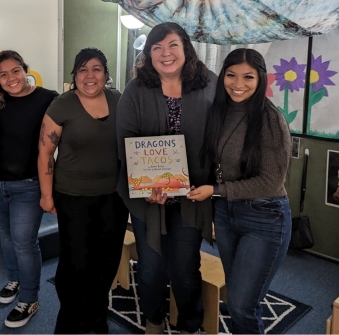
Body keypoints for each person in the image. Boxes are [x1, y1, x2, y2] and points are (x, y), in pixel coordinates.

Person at [116, 22, 217, 334]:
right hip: (149, 201)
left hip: (191, 198)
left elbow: (222, 137)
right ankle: (154, 321)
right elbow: (125, 140)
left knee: (186, 270)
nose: (165, 53)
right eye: (157, 47)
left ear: (185, 48)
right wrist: (145, 188)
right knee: (150, 269)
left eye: (172, 45)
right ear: (149, 54)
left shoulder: (209, 84)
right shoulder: (136, 89)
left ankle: (188, 325)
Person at [188, 48, 292, 334]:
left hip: (264, 217)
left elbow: (270, 182)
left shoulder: (271, 119)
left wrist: (216, 189)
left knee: (242, 306)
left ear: (261, 79)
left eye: (248, 77)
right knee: (237, 298)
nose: (238, 83)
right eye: (231, 75)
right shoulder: (218, 112)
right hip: (225, 214)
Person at [38, 48, 129, 334]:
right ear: (74, 75)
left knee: (108, 260)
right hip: (73, 196)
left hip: (113, 198)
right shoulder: (61, 106)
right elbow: (44, 153)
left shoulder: (119, 100)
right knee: (76, 262)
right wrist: (46, 194)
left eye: (97, 69)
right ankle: (69, 319)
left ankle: (96, 315)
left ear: (106, 73)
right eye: (82, 70)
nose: (90, 76)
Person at [0, 50, 59, 328]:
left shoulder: (48, 98)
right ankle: (14, 279)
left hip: (29, 185)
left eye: (15, 71)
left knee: (24, 243)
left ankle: (29, 298)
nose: (10, 78)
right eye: (3, 74)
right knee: (6, 237)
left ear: (24, 69)